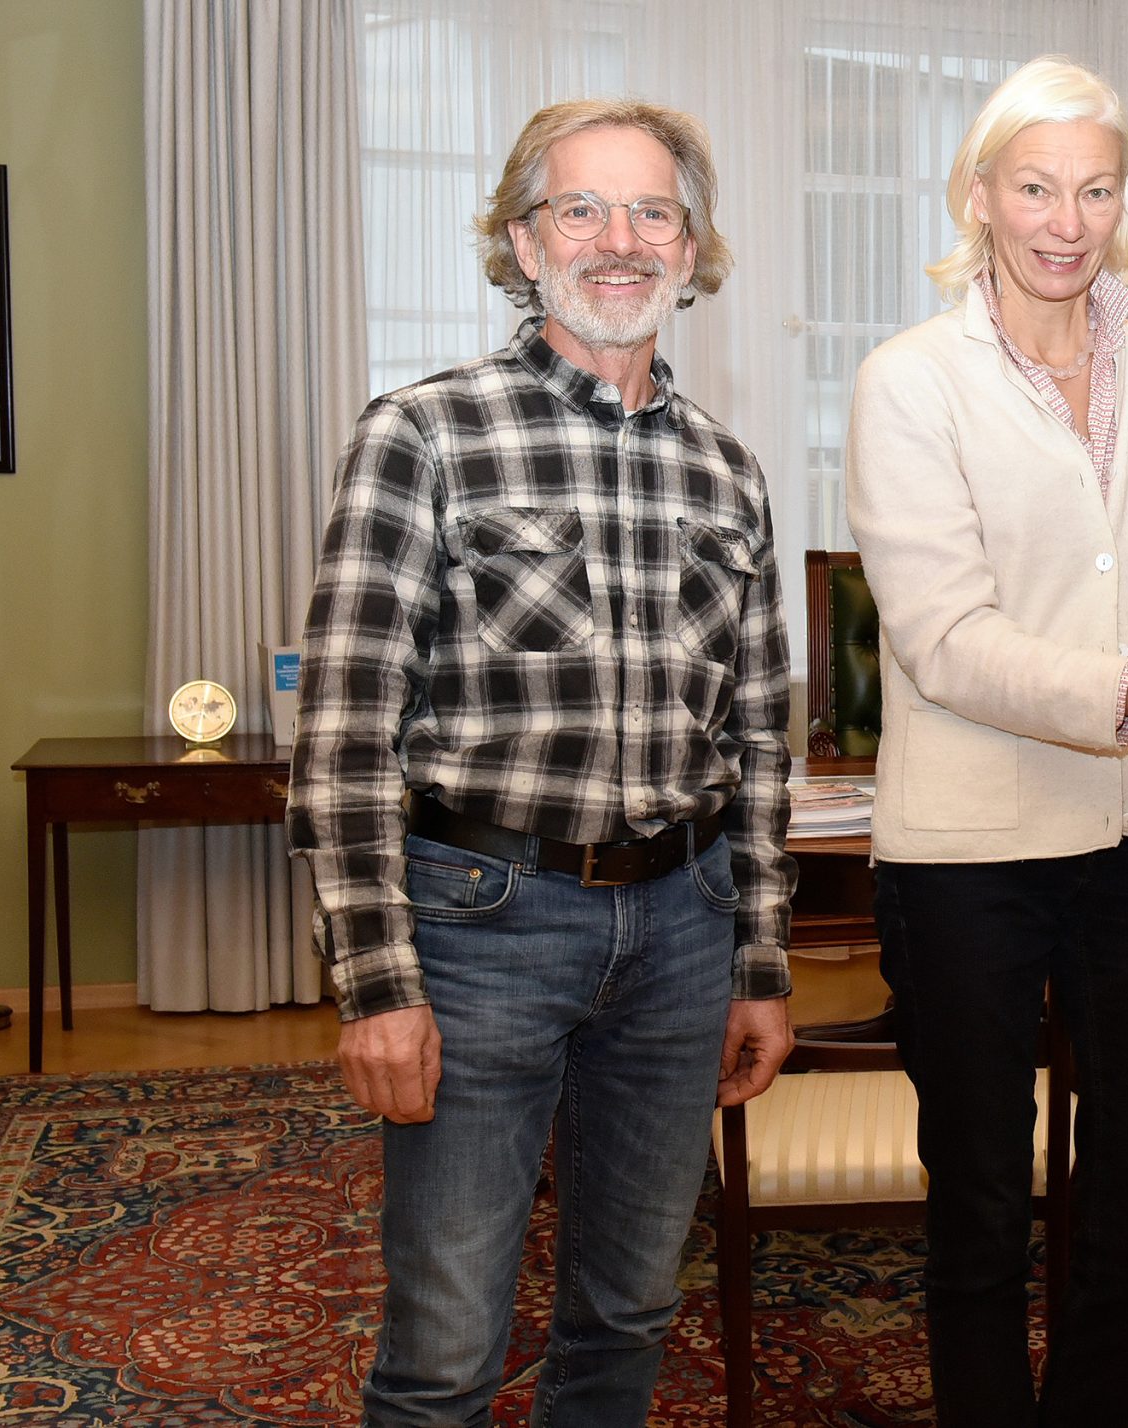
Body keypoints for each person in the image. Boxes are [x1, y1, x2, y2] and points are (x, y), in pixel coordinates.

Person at [289, 99, 796, 1426]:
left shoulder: (729, 476)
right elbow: (344, 730)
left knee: (628, 1315)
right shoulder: (424, 434)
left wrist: (758, 964)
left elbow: (758, 740)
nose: (619, 242)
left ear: (691, 252)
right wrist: (374, 983)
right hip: (481, 929)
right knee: (447, 1345)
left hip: (684, 936)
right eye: (583, 209)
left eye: (653, 215)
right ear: (524, 242)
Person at [843, 56, 1128, 1428]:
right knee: (982, 1199)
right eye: (1036, 186)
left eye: (1095, 188)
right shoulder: (909, 381)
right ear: (978, 196)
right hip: (968, 850)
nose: (1066, 218)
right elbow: (945, 638)